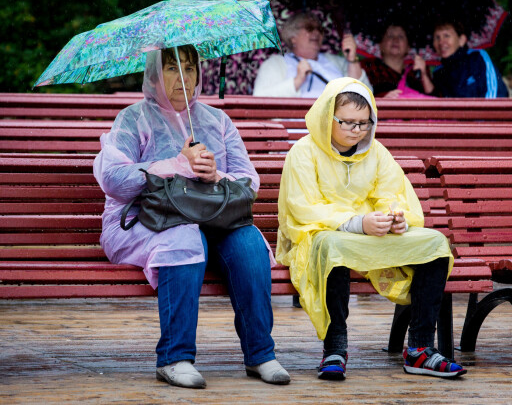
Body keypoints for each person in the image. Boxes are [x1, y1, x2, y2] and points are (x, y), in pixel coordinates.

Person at [93, 45, 290, 389]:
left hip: (211, 218)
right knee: (184, 238)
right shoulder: (133, 118)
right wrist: (176, 164)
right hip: (143, 221)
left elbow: (249, 181)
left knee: (249, 243)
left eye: (189, 68)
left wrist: (216, 176)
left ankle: (261, 354)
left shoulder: (217, 121)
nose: (182, 78)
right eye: (171, 69)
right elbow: (114, 181)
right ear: (153, 74)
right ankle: (174, 357)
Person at [276, 77, 466, 381]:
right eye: (348, 122)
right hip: (319, 234)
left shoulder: (375, 152)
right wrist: (355, 223)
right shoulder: (304, 151)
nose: (357, 130)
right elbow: (302, 207)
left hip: (368, 234)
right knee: (331, 248)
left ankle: (419, 349)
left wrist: (395, 217)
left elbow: (392, 193)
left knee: (435, 244)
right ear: (328, 116)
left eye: (364, 123)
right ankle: (335, 348)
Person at [252, 12, 371, 97]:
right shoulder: (275, 64)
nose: (316, 32)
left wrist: (352, 59)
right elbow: (260, 98)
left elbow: (363, 94)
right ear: (292, 37)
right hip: (296, 128)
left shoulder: (337, 62)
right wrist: (297, 80)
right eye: (309, 28)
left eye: (320, 29)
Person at [430, 20, 508, 98]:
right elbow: (435, 102)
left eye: (446, 36)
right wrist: (423, 75)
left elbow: (495, 92)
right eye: (437, 37)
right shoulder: (438, 73)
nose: (441, 42)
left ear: (461, 40)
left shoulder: (477, 57)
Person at [360, 22, 434, 98]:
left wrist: (424, 74)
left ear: (408, 48)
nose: (395, 40)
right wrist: (381, 99)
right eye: (390, 36)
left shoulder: (417, 70)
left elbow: (434, 98)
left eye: (401, 36)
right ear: (380, 45)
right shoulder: (368, 66)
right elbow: (358, 95)